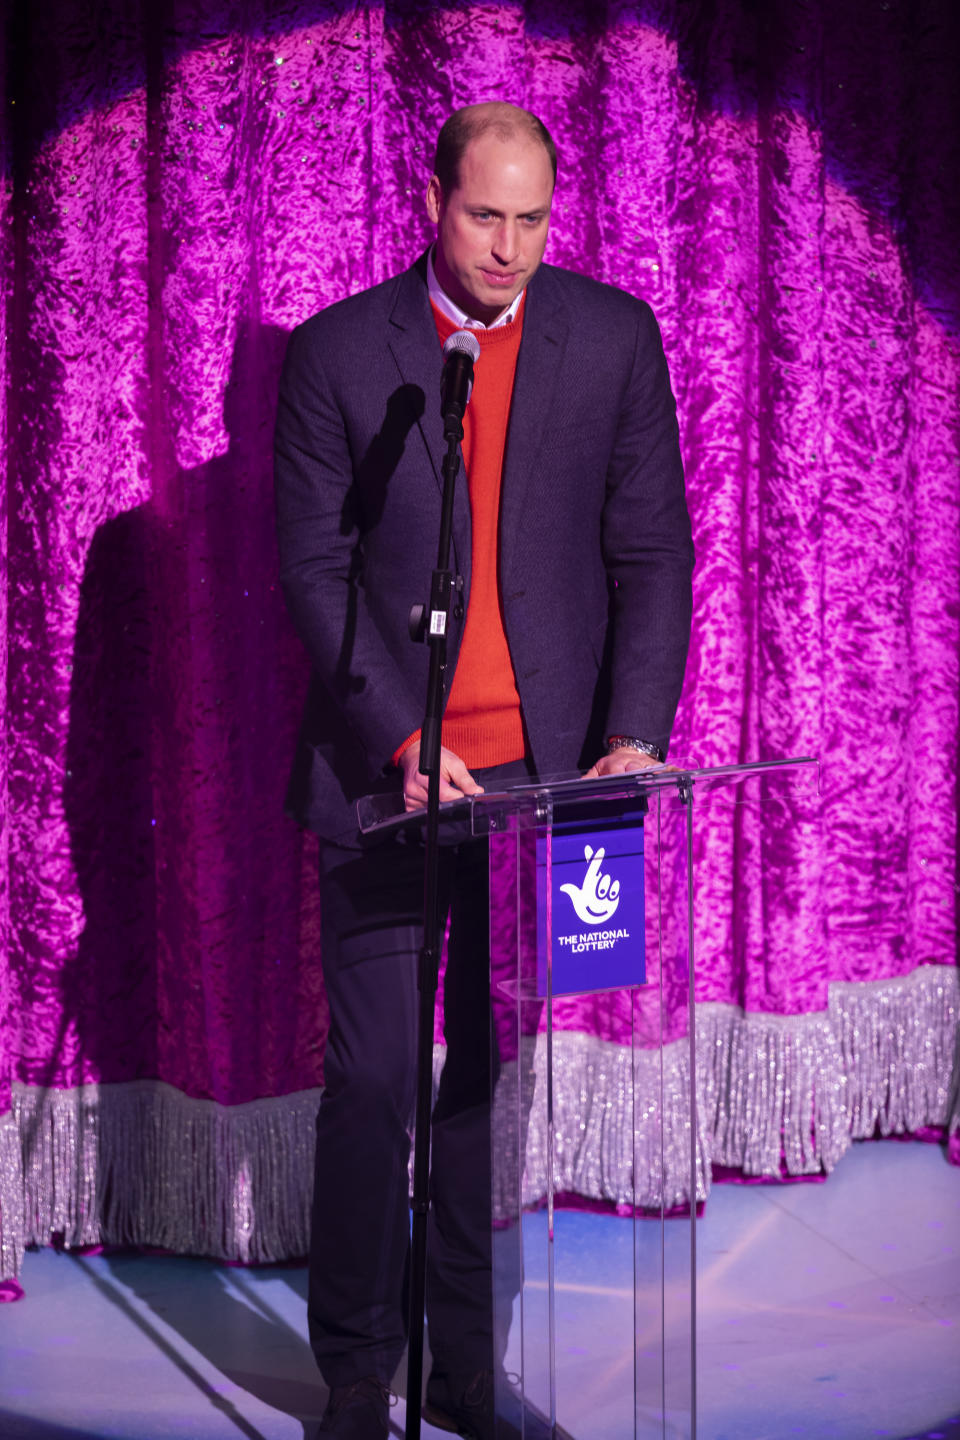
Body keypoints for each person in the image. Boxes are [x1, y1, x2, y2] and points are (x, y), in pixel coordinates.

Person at [274, 101, 693, 1440]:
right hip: (390, 773)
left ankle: (463, 1366)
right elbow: (313, 571)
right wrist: (406, 738)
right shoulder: (344, 355)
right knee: (383, 1071)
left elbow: (651, 554)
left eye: (530, 219)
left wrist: (631, 731)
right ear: (434, 203)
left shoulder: (613, 337)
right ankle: (355, 1373)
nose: (508, 247)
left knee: (483, 1075)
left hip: (551, 787)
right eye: (483, 216)